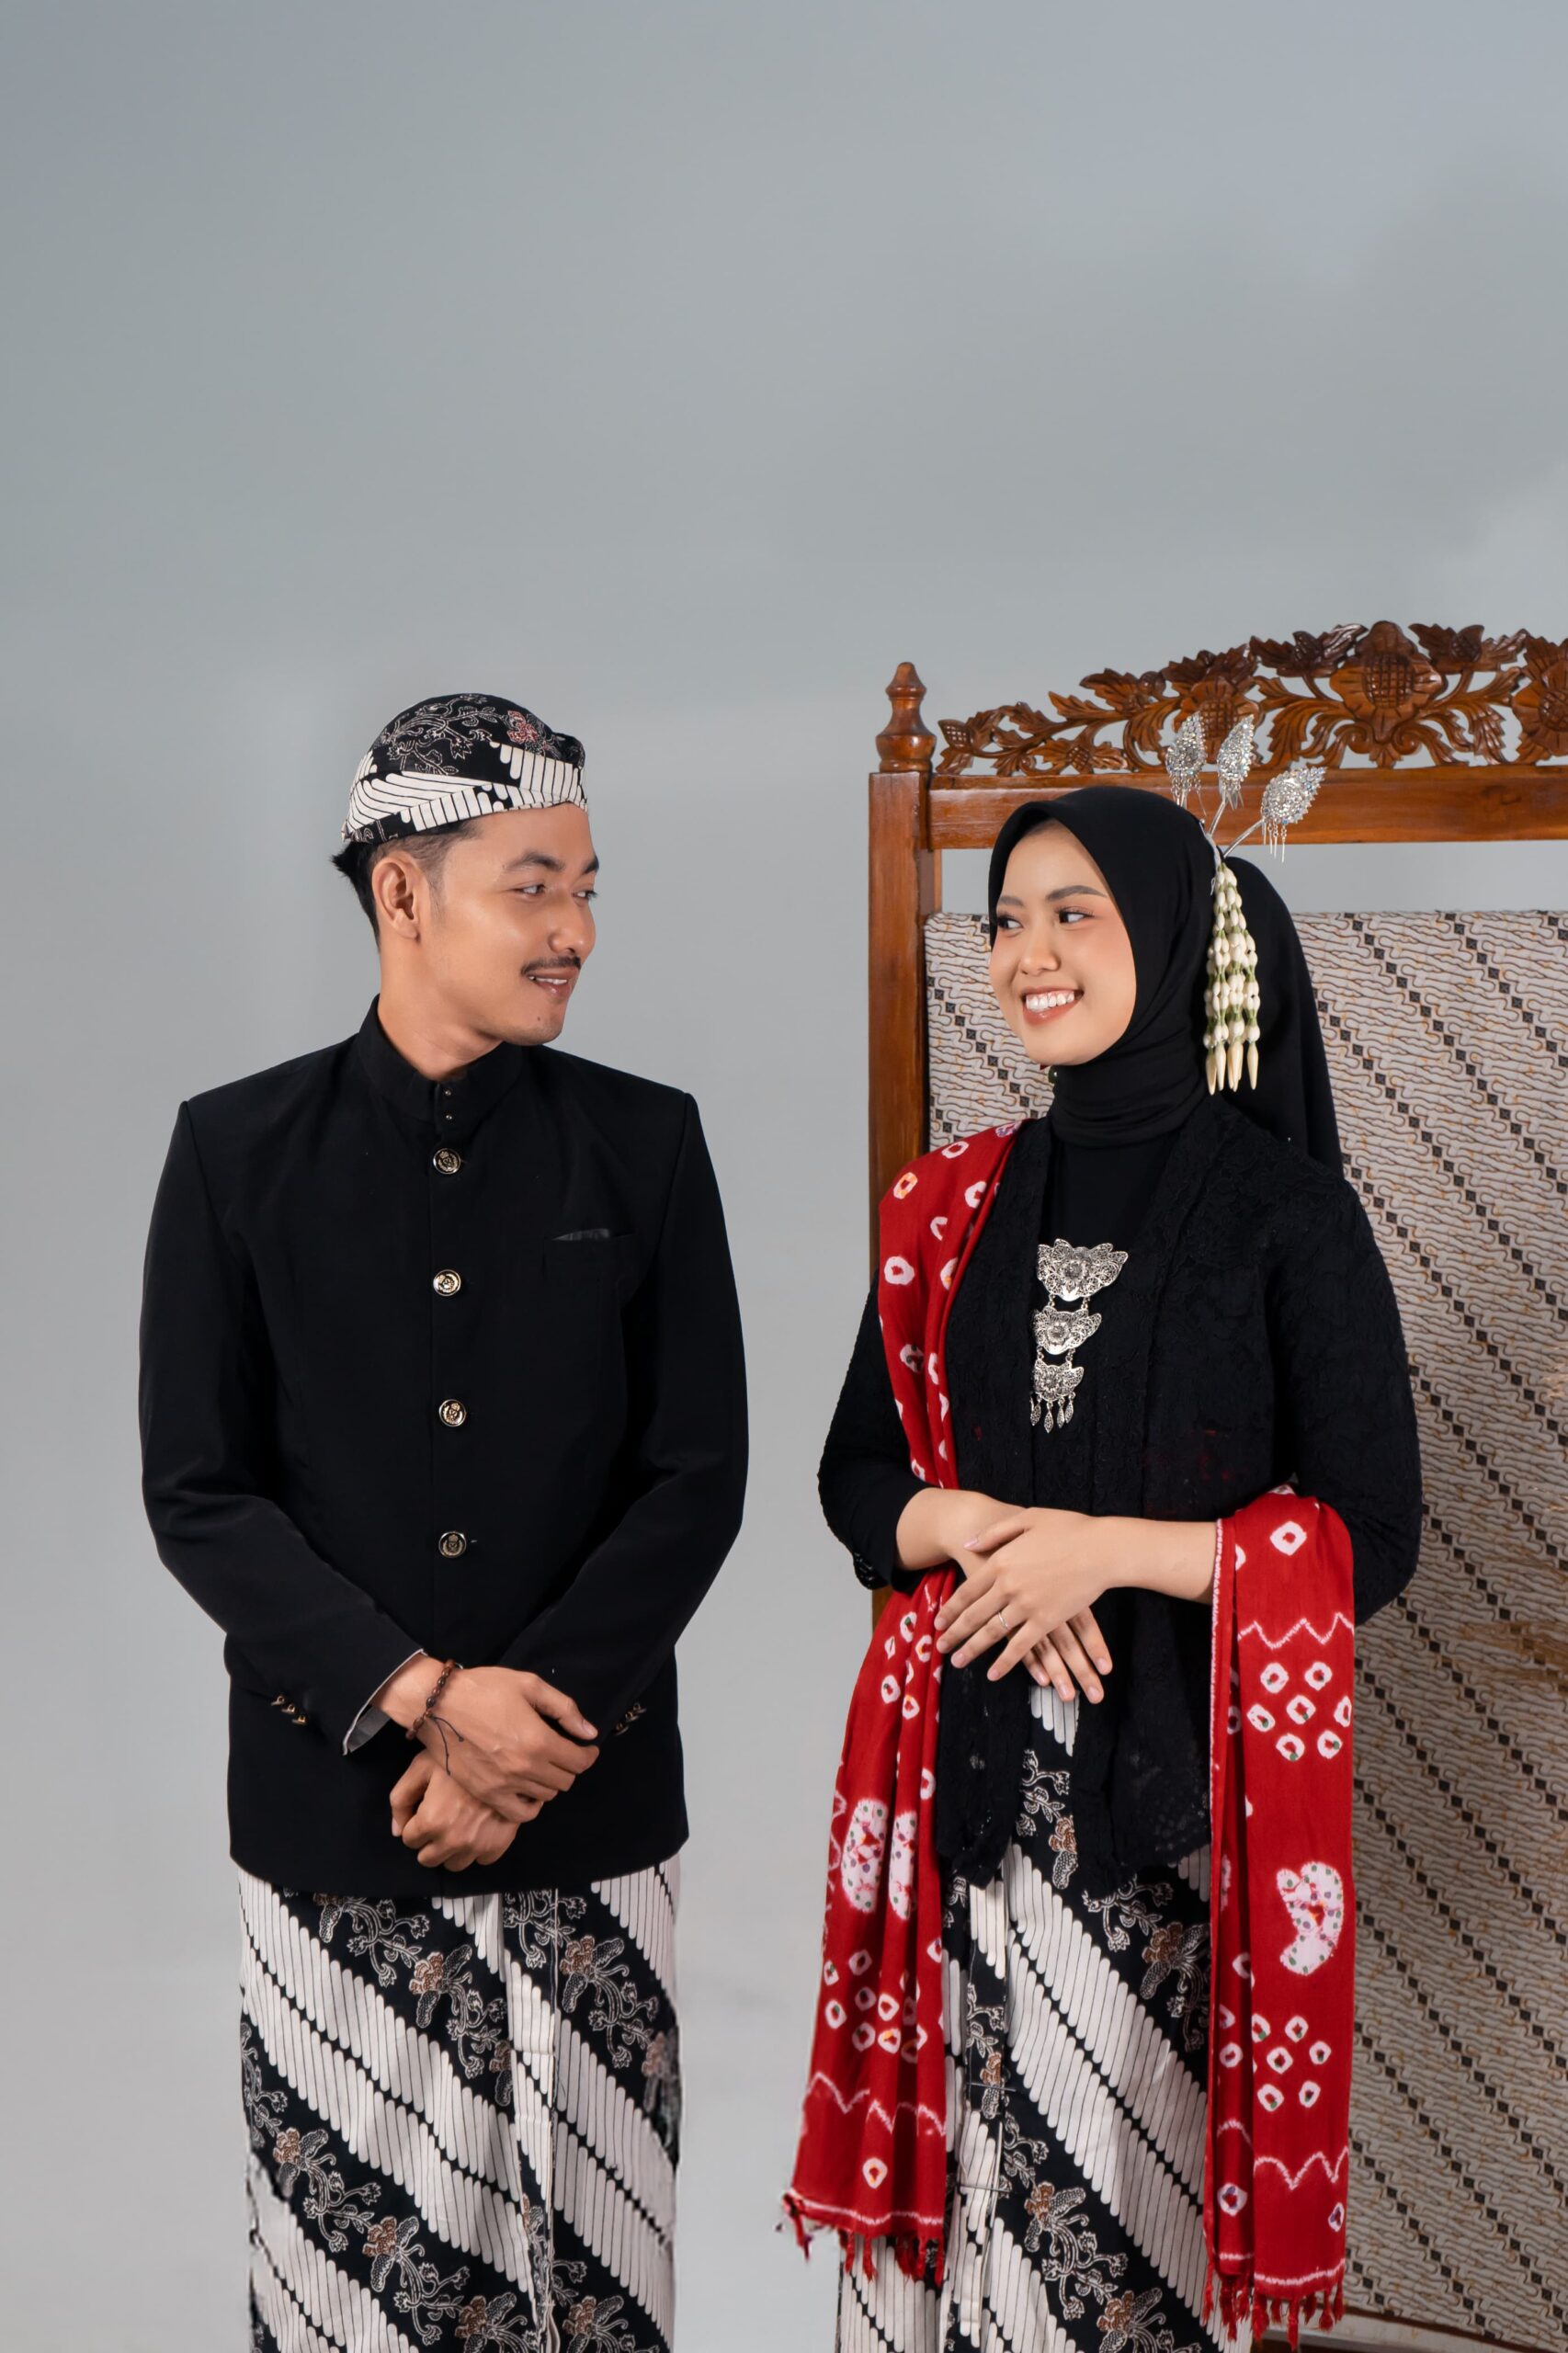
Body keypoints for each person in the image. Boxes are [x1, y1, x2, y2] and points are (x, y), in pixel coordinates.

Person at [138, 691, 747, 2353]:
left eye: (588, 888)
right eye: (533, 886)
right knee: (355, 2291)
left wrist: (524, 1738)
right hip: (337, 1815)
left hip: (592, 1808)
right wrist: (421, 1698)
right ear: (402, 892)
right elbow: (198, 1493)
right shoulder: (235, 1153)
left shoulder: (646, 1144)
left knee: (594, 2293)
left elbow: (696, 1474)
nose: (577, 933)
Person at [794, 786, 1421, 2353]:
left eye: (1073, 914)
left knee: (1106, 2256)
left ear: (1171, 936)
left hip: (1167, 1818)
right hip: (955, 1781)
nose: (1029, 954)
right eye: (1006, 919)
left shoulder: (1285, 1214)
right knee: (956, 2232)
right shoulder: (948, 1202)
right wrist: (972, 1534)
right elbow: (858, 1478)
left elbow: (1370, 1533)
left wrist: (1102, 1555)